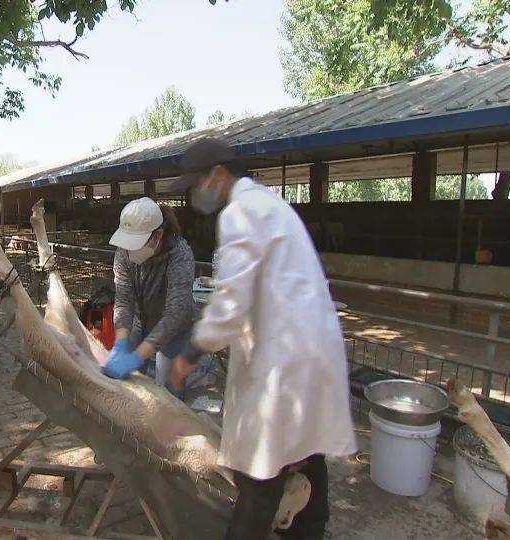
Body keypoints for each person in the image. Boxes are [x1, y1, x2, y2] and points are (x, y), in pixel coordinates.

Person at [168, 138, 356, 540]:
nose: (193, 194)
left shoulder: (241, 214)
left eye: (195, 183)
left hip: (286, 365)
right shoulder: (272, 205)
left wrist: (192, 350)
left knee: (260, 474)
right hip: (307, 354)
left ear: (218, 175)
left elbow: (231, 301)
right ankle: (310, 529)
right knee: (306, 453)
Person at [101, 197, 195, 398]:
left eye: (136, 243)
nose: (129, 251)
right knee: (128, 387)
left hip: (174, 326)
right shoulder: (124, 254)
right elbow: (124, 299)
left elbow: (176, 312)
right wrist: (121, 343)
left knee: (167, 390)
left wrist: (136, 357)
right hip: (140, 319)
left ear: (157, 235)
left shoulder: (179, 254)